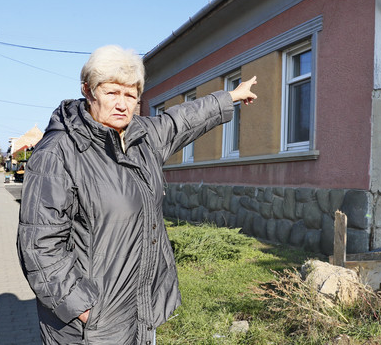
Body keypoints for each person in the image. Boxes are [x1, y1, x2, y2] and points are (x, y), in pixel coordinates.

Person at [16, 45, 257, 344]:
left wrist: (229, 96)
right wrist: (81, 307)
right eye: (112, 92)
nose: (122, 104)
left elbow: (181, 120)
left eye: (130, 96)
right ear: (88, 91)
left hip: (141, 312)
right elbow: (39, 244)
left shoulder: (142, 137)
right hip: (90, 328)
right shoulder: (58, 152)